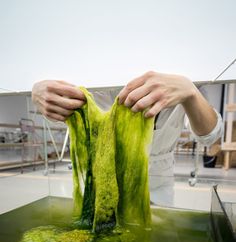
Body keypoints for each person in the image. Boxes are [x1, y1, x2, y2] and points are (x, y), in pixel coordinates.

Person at [32, 71, 223, 206]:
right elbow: (60, 115)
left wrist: (190, 92)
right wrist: (38, 89)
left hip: (158, 182)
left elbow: (210, 136)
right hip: (101, 182)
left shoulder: (190, 72)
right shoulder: (90, 72)